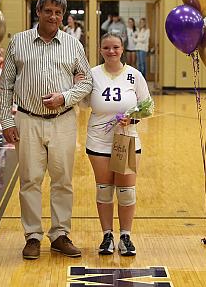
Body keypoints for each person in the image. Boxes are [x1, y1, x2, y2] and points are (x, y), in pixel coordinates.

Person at [0, 0, 92, 260]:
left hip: (63, 121)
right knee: (29, 180)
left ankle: (60, 234)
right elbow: (5, 87)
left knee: (63, 181)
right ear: (38, 12)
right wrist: (6, 121)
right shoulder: (19, 41)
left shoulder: (73, 45)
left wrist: (65, 97)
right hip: (27, 120)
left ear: (64, 16)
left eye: (58, 12)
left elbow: (86, 83)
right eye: (48, 11)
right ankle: (33, 236)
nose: (53, 16)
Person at [76, 32, 152, 256]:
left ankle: (125, 236)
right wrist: (77, 86)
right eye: (106, 47)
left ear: (122, 49)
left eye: (116, 47)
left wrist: (133, 118)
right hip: (98, 141)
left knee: (126, 191)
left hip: (126, 140)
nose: (111, 51)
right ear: (100, 50)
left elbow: (147, 106)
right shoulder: (92, 75)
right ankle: (107, 235)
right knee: (104, 190)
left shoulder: (134, 75)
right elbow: (82, 106)